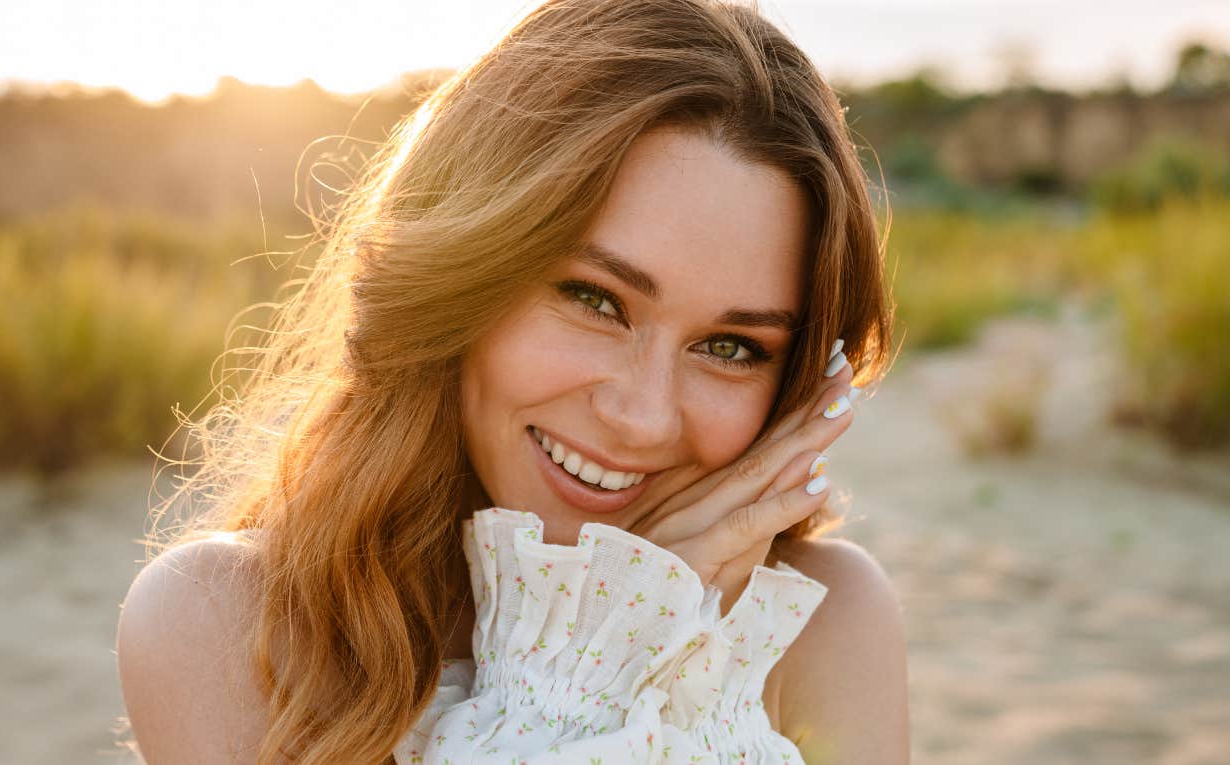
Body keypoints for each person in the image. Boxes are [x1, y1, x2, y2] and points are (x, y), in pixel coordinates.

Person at [115, 0, 908, 763]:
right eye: (595, 299)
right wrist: (599, 661)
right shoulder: (231, 622)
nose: (641, 415)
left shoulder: (817, 622)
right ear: (461, 275)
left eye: (732, 347)